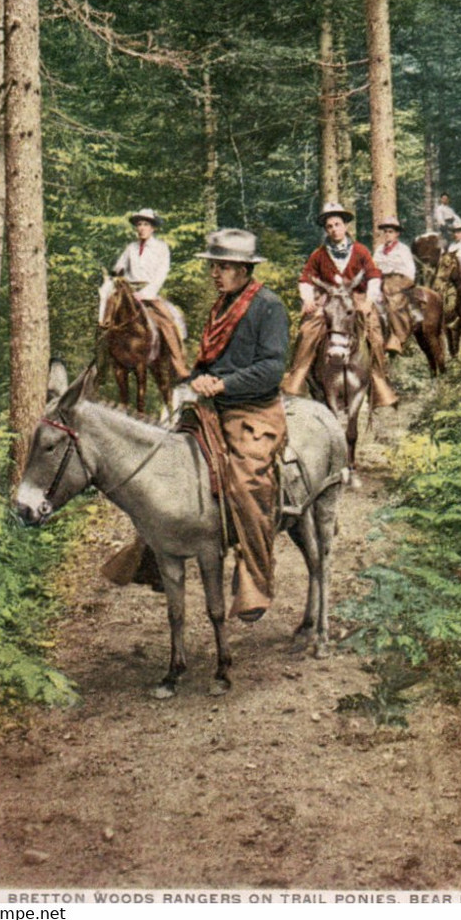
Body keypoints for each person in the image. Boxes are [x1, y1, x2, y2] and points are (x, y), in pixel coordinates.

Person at [189, 228, 289, 624]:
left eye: (225, 266)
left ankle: (255, 581)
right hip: (212, 404)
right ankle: (156, 553)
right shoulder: (220, 307)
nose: (216, 273)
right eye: (214, 266)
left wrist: (224, 383)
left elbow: (271, 368)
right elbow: (206, 360)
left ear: (246, 269)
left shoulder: (269, 307)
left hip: (253, 410)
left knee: (248, 482)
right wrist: (199, 377)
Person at [281, 202, 397, 408]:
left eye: (337, 224)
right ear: (326, 230)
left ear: (345, 226)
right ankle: (298, 376)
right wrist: (308, 299)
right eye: (330, 226)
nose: (334, 229)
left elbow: (373, 276)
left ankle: (380, 381)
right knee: (308, 329)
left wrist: (369, 299)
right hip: (329, 299)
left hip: (356, 297)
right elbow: (306, 279)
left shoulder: (360, 250)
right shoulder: (319, 254)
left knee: (374, 330)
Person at [106, 208, 189, 380]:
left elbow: (161, 274)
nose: (141, 228)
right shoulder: (130, 248)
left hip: (150, 293)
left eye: (145, 224)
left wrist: (145, 293)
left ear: (153, 228)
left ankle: (178, 365)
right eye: (139, 224)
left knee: (169, 321)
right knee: (107, 318)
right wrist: (116, 275)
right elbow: (118, 267)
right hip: (128, 292)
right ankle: (102, 365)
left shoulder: (161, 248)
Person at [373, 217, 422, 355]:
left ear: (397, 234)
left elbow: (410, 271)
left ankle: (398, 339)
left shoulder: (403, 249)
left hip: (399, 282)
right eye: (385, 232)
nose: (387, 234)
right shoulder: (379, 250)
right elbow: (374, 267)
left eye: (390, 231)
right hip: (381, 281)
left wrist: (399, 285)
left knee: (393, 305)